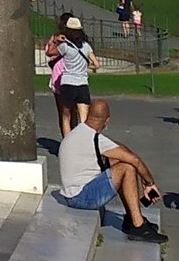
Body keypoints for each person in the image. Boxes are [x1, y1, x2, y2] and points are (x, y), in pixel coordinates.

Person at [55, 97, 164, 241]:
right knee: (127, 168)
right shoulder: (94, 139)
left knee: (119, 163)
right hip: (80, 197)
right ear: (107, 120)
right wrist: (149, 183)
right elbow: (134, 160)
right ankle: (138, 226)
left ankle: (132, 218)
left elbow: (118, 150)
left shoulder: (79, 132)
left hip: (72, 193)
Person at [53, 16, 97, 137]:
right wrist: (86, 68)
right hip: (82, 83)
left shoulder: (65, 46)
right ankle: (84, 143)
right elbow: (97, 64)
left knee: (66, 116)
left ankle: (67, 144)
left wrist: (57, 40)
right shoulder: (86, 46)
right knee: (84, 119)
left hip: (68, 81)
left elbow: (51, 53)